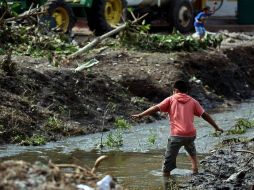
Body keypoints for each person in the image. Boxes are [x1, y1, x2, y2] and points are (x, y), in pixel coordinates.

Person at [131, 80, 223, 189]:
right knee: (191, 149)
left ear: (176, 90)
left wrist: (141, 115)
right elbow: (204, 115)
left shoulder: (171, 99)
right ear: (186, 91)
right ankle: (195, 169)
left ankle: (167, 182)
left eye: (173, 91)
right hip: (190, 134)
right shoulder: (193, 101)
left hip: (177, 135)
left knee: (167, 163)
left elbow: (155, 108)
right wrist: (216, 127)